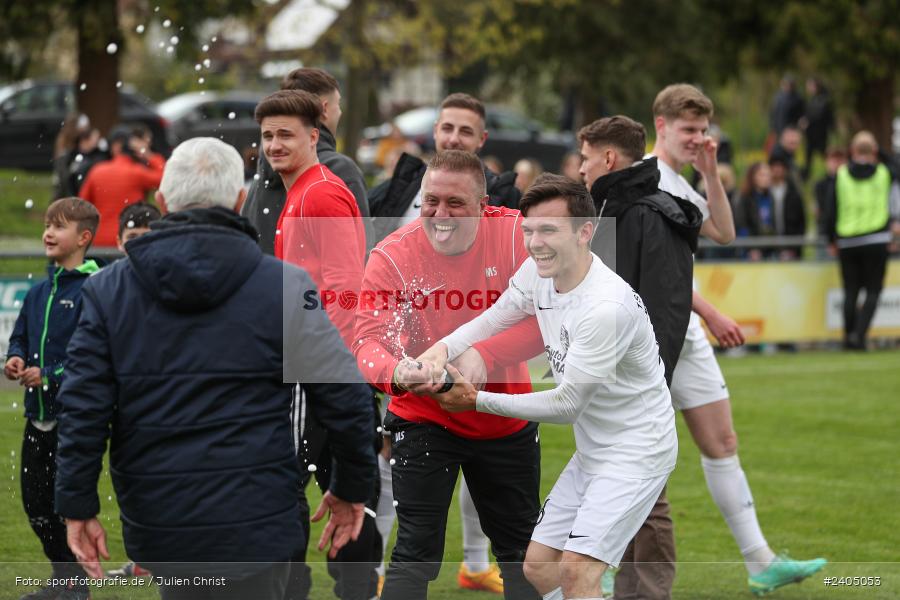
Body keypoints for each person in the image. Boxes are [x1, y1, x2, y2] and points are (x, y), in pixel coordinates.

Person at [53, 137, 377, 599]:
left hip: (172, 514)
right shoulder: (281, 284)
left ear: (163, 202)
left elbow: (83, 408)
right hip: (253, 514)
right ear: (240, 201)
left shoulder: (111, 290)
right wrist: (351, 484)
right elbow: (344, 396)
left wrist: (76, 503)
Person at [418, 174, 677, 600]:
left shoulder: (604, 308)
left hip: (637, 452)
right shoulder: (540, 271)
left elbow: (568, 404)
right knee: (539, 567)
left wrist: (477, 401)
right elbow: (495, 317)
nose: (535, 243)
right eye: (529, 230)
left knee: (577, 573)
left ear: (585, 233)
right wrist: (440, 350)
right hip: (594, 450)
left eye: (549, 230)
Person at [650, 83, 827, 598]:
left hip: (683, 331)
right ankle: (601, 559)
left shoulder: (684, 183)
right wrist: (709, 309)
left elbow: (724, 233)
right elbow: (652, 271)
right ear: (661, 126)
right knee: (629, 454)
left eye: (703, 130)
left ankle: (761, 562)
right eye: (688, 130)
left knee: (722, 442)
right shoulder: (644, 181)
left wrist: (708, 174)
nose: (697, 138)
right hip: (649, 335)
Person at [355, 150, 542, 600]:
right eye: (430, 202)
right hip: (424, 415)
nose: (440, 214)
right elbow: (366, 342)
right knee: (415, 552)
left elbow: (551, 318)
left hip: (502, 414)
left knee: (523, 557)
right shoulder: (393, 256)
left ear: (483, 205)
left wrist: (484, 356)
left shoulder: (517, 235)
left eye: (455, 203)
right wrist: (399, 372)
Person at [255, 88, 375, 600]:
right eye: (266, 135)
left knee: (294, 485)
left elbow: (346, 288)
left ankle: (332, 588)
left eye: (286, 134)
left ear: (313, 136)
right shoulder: (300, 190)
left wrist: (332, 373)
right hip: (313, 365)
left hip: (318, 369)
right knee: (324, 483)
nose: (274, 144)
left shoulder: (321, 192)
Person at [4, 197, 100, 600]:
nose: (47, 232)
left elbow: (90, 357)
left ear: (83, 238)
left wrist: (50, 375)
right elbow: (20, 335)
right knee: (35, 505)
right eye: (46, 224)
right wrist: (16, 357)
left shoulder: (93, 290)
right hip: (36, 417)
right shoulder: (39, 291)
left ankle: (77, 582)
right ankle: (64, 577)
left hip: (72, 421)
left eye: (58, 226)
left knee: (67, 507)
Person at [578, 115, 702, 386]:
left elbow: (662, 311)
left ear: (609, 158)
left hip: (635, 388)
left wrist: (649, 382)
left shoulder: (652, 216)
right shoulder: (607, 209)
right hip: (603, 375)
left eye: (586, 158)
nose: (581, 169)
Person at [242, 67, 374, 254]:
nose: (341, 112)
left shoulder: (259, 181)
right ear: (325, 109)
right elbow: (361, 253)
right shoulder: (339, 171)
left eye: (286, 135)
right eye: (339, 105)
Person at [369, 93, 521, 244]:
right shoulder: (401, 184)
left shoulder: (506, 197)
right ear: (436, 131)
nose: (454, 139)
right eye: (447, 128)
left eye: (465, 131)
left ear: (482, 139)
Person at [824, 130, 900, 350]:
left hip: (848, 241)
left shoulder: (841, 174)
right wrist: (879, 152)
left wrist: (831, 239)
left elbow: (831, 210)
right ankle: (860, 334)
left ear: (852, 150)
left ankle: (849, 337)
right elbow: (896, 165)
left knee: (851, 291)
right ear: (874, 150)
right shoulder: (884, 172)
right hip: (876, 239)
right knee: (874, 291)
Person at [78, 126, 165, 247]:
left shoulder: (97, 171)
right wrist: (149, 154)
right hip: (130, 238)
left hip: (99, 239)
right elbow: (163, 177)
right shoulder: (136, 172)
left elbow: (82, 205)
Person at [767, 155, 807, 259]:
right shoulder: (765, 193)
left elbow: (802, 222)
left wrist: (796, 247)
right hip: (768, 247)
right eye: (774, 166)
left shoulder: (794, 194)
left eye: (780, 166)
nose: (777, 170)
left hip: (791, 247)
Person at [801, 77, 834, 180]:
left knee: (824, 155)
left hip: (820, 134)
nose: (808, 88)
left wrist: (808, 121)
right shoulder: (812, 99)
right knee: (808, 157)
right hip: (810, 134)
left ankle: (832, 173)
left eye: (810, 86)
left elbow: (820, 115)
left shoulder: (823, 99)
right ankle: (805, 177)